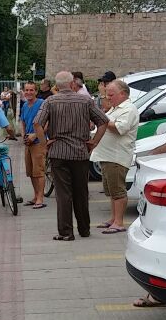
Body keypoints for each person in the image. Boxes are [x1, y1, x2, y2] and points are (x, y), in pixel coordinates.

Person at [34, 71, 109, 241]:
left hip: (58, 152)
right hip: (80, 152)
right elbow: (103, 121)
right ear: (72, 84)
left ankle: (66, 232)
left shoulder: (50, 101)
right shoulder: (85, 101)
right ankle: (84, 229)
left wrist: (44, 145)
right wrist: (94, 142)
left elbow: (37, 123)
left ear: (57, 85)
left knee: (63, 193)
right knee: (81, 192)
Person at [91, 79, 139, 234]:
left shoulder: (129, 109)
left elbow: (120, 128)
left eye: (111, 94)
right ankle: (113, 219)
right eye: (107, 94)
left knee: (118, 191)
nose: (108, 98)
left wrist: (101, 117)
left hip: (117, 157)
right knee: (111, 191)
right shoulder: (114, 109)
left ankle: (119, 222)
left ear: (123, 94)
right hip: (107, 156)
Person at [19, 81, 47, 210]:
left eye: (31, 90)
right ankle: (36, 196)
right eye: (27, 90)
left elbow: (48, 123)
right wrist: (24, 135)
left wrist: (35, 135)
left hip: (38, 143)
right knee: (31, 172)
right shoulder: (24, 105)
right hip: (28, 143)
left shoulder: (41, 104)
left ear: (36, 92)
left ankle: (40, 198)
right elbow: (23, 122)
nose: (29, 92)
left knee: (39, 171)